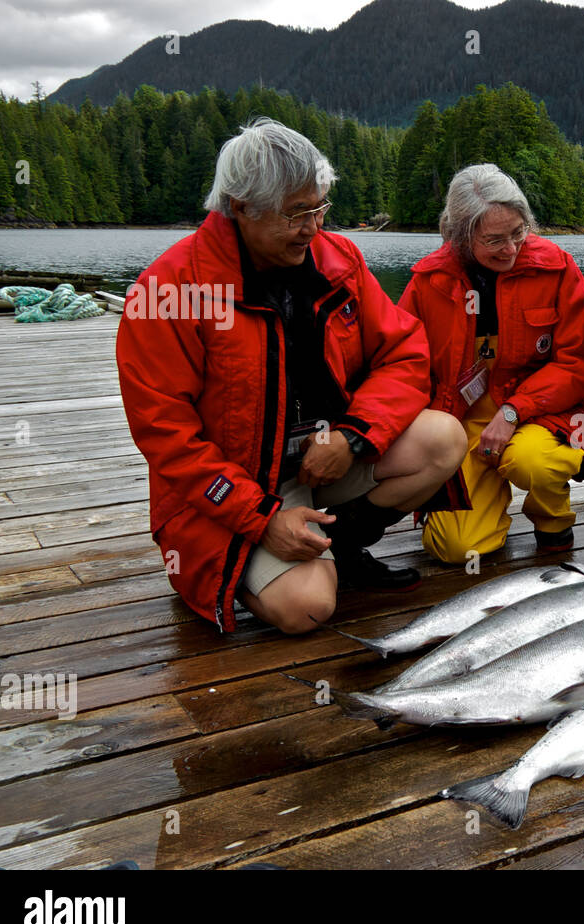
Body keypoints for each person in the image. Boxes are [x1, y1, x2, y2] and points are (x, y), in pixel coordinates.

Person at [116, 118, 467, 634]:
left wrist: (352, 435)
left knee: (443, 438)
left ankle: (337, 547)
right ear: (240, 207)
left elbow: (405, 354)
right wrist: (260, 517)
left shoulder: (338, 259)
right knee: (306, 610)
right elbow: (166, 436)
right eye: (296, 213)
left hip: (323, 460)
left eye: (319, 207)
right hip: (232, 490)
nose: (313, 227)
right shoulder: (169, 290)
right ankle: (251, 562)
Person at [399, 164, 584, 564]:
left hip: (538, 413)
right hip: (459, 423)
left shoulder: (558, 267)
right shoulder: (427, 282)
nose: (510, 248)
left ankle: (552, 519)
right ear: (459, 234)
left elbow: (578, 363)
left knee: (535, 462)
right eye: (494, 239)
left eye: (518, 232)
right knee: (458, 550)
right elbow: (402, 365)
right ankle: (486, 504)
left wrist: (512, 411)